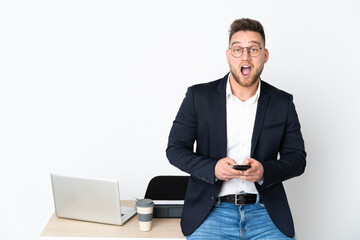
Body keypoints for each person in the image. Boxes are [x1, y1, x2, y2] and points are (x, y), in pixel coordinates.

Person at [166, 18, 306, 239]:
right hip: (211, 213)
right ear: (228, 55)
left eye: (253, 49)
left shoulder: (283, 102)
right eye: (238, 49)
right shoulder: (198, 97)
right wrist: (213, 168)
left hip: (265, 214)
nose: (246, 56)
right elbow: (175, 149)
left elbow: (297, 159)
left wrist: (264, 172)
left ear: (265, 55)